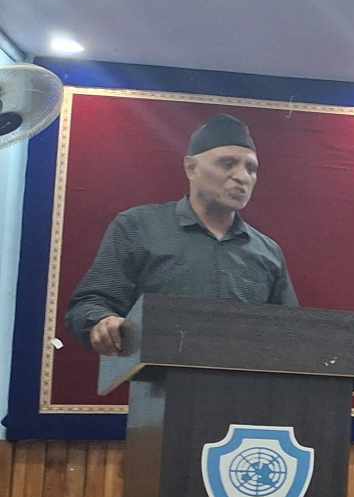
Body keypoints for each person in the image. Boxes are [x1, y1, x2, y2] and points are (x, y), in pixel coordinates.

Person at [65, 113, 297, 354]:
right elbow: (91, 303)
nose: (242, 177)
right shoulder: (138, 227)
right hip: (158, 375)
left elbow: (293, 333)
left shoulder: (267, 252)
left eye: (251, 168)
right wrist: (104, 321)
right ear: (191, 168)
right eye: (228, 164)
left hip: (244, 377)